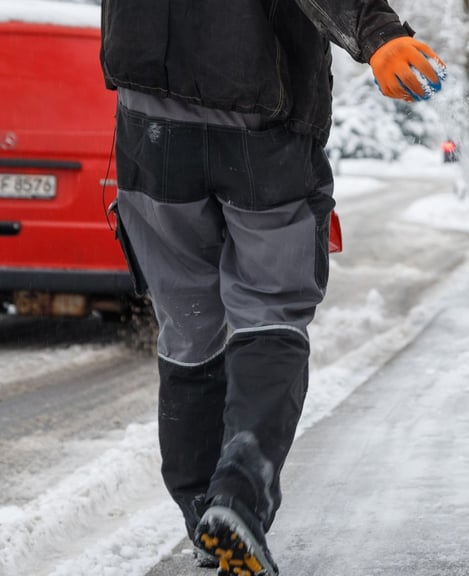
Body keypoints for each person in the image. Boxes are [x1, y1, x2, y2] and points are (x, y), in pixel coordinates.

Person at [99, 2, 445, 575]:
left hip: (148, 119)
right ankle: (236, 500)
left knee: (187, 322)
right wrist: (378, 33)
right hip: (259, 108)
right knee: (270, 307)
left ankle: (202, 513)